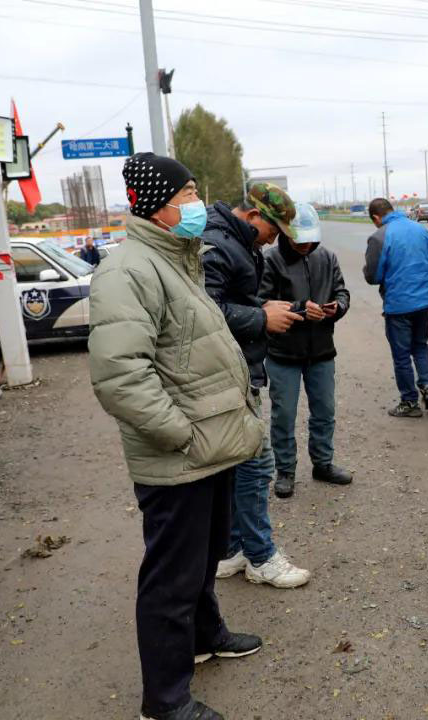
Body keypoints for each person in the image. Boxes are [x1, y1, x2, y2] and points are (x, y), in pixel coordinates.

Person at [88, 152, 267, 720]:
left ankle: (206, 634)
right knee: (171, 578)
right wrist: (181, 434)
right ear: (157, 205)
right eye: (187, 194)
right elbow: (120, 376)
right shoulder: (128, 269)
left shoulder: (178, 257)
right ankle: (164, 702)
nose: (197, 204)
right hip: (181, 455)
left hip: (209, 448)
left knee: (207, 555)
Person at [201, 183, 311, 589]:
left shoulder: (235, 243)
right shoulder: (219, 246)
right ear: (252, 216)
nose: (275, 239)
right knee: (256, 463)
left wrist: (266, 309)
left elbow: (234, 300)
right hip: (228, 373)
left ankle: (232, 550)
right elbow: (204, 311)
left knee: (237, 464)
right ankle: (261, 557)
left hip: (237, 367)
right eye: (275, 230)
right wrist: (261, 318)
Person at [261, 202, 352, 497]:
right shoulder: (270, 260)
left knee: (324, 411)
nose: (306, 245)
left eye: (311, 239)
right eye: (300, 240)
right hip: (283, 353)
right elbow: (261, 302)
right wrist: (300, 310)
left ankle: (323, 463)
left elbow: (342, 291)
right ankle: (285, 470)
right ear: (286, 234)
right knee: (284, 415)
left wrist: (337, 307)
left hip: (322, 350)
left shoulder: (327, 257)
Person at [363, 198, 428, 418]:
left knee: (402, 355)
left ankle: (409, 403)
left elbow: (373, 276)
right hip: (423, 301)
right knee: (420, 346)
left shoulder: (379, 236)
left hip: (398, 305)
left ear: (376, 218)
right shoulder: (421, 230)